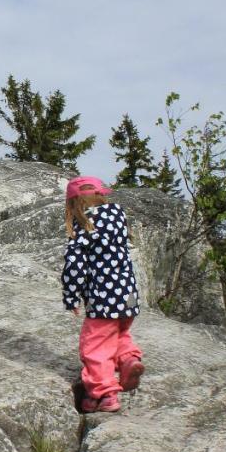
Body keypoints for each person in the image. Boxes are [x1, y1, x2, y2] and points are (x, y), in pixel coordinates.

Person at [61, 176, 145, 413]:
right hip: (127, 294)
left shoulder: (83, 227)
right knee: (119, 332)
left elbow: (74, 266)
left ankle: (103, 394)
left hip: (103, 297)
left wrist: (71, 296)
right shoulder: (118, 217)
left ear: (73, 204)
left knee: (95, 344)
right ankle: (129, 360)